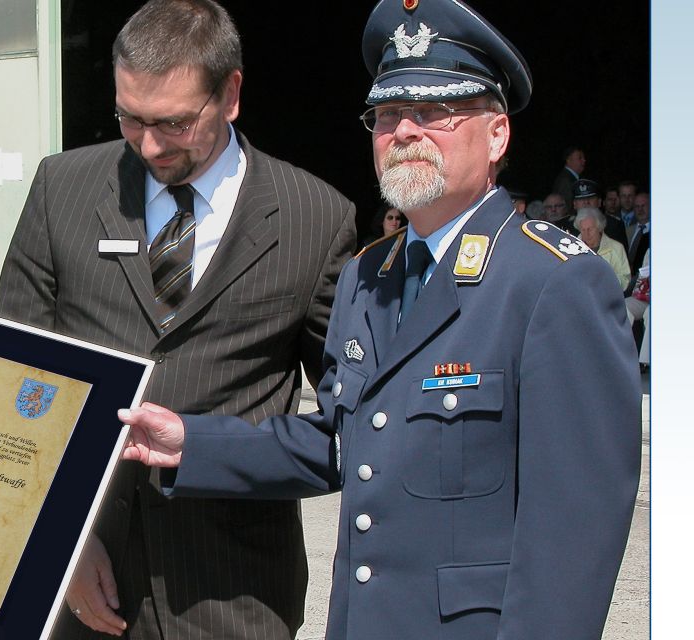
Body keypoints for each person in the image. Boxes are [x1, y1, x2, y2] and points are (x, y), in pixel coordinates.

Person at [117, 0, 641, 637]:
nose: (407, 132)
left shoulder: (552, 282)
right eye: (389, 115)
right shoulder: (370, 275)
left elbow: (575, 529)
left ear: (497, 134)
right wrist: (192, 446)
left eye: (434, 112)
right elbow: (344, 442)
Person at [0, 1, 356, 637]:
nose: (152, 145)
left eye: (176, 123)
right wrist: (62, 548)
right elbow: (11, 385)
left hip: (234, 595)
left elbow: (342, 435)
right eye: (130, 119)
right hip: (81, 587)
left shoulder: (314, 219)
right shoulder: (64, 189)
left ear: (232, 94)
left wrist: (204, 451)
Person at [575, 207, 631, 291]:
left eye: (590, 229)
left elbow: (625, 279)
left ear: (600, 228)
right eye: (583, 230)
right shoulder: (573, 248)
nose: (587, 233)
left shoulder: (616, 248)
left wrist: (605, 280)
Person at [550, 146, 584, 210]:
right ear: (568, 160)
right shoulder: (565, 180)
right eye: (580, 158)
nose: (584, 160)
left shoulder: (570, 178)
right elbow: (566, 206)